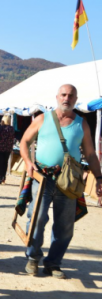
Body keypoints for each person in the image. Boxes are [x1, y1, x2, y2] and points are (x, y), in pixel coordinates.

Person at [19, 84, 102, 279]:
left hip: (69, 181)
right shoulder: (42, 119)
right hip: (42, 178)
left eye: (71, 95)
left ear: (76, 99)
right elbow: (24, 141)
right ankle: (33, 258)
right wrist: (28, 162)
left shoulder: (81, 124)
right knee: (37, 218)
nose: (67, 98)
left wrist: (99, 178)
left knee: (65, 226)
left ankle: (53, 263)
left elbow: (90, 153)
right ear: (57, 97)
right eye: (63, 94)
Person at [0, 115, 15, 184]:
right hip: (8, 149)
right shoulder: (12, 129)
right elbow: (12, 139)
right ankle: (3, 178)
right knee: (5, 163)